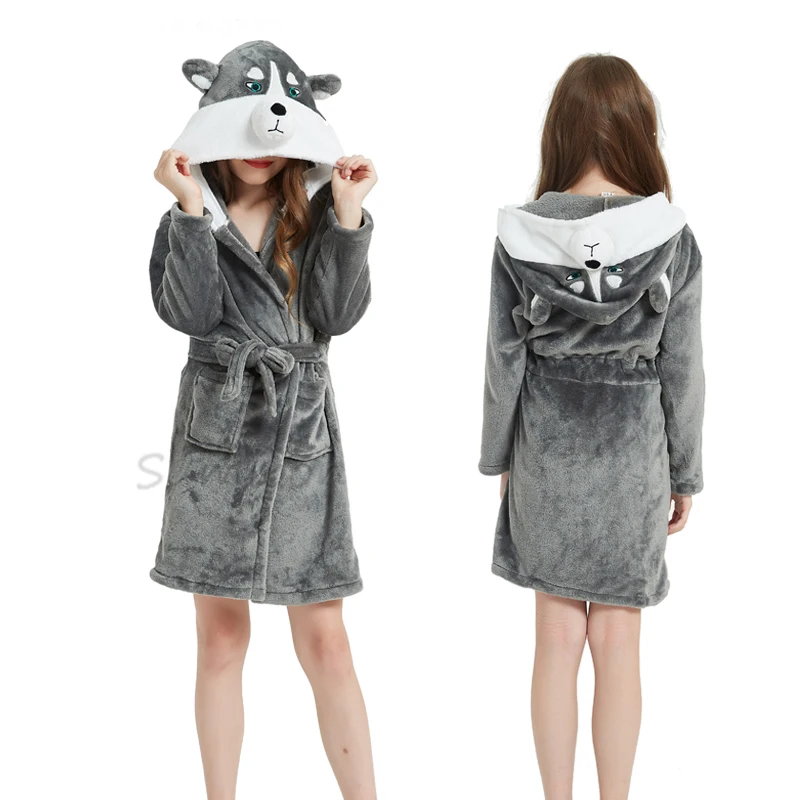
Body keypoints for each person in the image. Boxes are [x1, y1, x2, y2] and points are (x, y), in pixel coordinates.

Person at [148, 40, 378, 800]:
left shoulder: (316, 212)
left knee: (326, 641)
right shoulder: (191, 215)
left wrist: (349, 217)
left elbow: (336, 316)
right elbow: (189, 314)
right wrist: (189, 211)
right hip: (213, 439)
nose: (259, 143)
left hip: (299, 433)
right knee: (220, 641)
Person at [479, 53, 705, 800]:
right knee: (619, 640)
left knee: (554, 640)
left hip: (547, 446)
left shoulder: (522, 234)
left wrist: (500, 458)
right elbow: (683, 367)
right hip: (632, 451)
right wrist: (684, 471)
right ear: (639, 130)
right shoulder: (669, 236)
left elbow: (503, 360)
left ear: (561, 131)